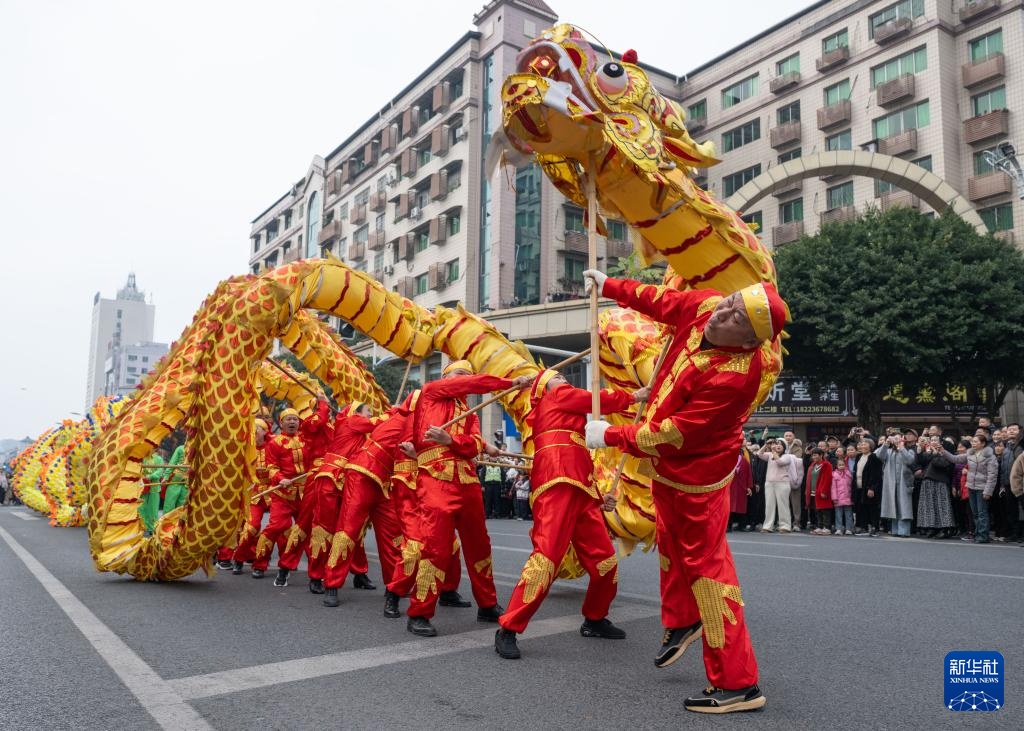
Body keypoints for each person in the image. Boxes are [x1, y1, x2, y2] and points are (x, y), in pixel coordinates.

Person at [582, 269, 789, 713]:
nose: (722, 313)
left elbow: (674, 433)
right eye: (730, 302)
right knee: (669, 544)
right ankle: (683, 620)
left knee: (708, 573)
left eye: (736, 318)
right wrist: (608, 284)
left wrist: (610, 435)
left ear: (750, 341)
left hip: (697, 477)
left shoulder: (737, 376)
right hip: (666, 470)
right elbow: (660, 301)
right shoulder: (707, 305)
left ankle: (738, 683)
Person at [494, 370, 643, 659]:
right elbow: (595, 400)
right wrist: (634, 396)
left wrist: (599, 498)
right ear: (543, 387)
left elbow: (579, 462)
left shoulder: (569, 419)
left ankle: (595, 618)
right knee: (546, 558)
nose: (563, 378)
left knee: (605, 561)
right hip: (555, 482)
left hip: (580, 489)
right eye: (556, 376)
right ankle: (508, 628)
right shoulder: (556, 397)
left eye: (563, 376)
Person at [403, 361, 527, 637]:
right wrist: (508, 383)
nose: (465, 380)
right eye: (459, 374)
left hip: (467, 482)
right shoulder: (432, 392)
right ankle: (419, 612)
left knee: (480, 546)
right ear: (446, 376)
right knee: (436, 548)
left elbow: (474, 445)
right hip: (436, 478)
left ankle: (488, 604)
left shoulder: (469, 412)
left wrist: (451, 441)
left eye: (468, 376)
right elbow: (468, 385)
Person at [322, 404, 410, 608]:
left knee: (392, 534)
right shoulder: (392, 418)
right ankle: (332, 583)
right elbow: (376, 423)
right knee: (348, 530)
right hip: (363, 474)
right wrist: (394, 411)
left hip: (385, 481)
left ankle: (394, 586)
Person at [252, 400, 330, 586]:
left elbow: (319, 429)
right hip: (283, 494)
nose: (292, 422)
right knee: (276, 527)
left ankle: (315, 570)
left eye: (295, 419)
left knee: (309, 531)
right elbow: (271, 468)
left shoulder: (306, 439)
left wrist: (321, 404)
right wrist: (280, 479)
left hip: (305, 492)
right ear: (281, 423)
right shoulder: (275, 443)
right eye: (288, 419)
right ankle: (260, 563)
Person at [305, 402, 377, 594]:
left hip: (351, 481)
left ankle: (359, 573)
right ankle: (316, 575)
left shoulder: (361, 433)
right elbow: (380, 422)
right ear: (355, 413)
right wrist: (399, 410)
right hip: (331, 479)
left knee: (353, 530)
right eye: (368, 412)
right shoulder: (352, 421)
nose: (370, 415)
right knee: (323, 529)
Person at [232, 419, 277, 573]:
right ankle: (239, 558)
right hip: (254, 492)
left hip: (274, 490)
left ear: (265, 432)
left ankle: (267, 564)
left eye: (257, 430)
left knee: (278, 530)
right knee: (251, 527)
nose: (253, 433)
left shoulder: (275, 445)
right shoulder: (245, 448)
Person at [939, 434, 997, 544]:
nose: (973, 443)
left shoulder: (990, 457)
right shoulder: (970, 454)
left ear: (983, 443)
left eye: (976, 441)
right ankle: (977, 534)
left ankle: (983, 535)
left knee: (982, 513)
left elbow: (992, 475)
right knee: (975, 513)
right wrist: (943, 451)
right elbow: (955, 459)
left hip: (982, 488)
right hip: (971, 487)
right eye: (972, 441)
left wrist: (988, 491)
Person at [875, 431, 916, 537]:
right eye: (894, 438)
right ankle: (895, 530)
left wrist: (901, 447)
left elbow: (909, 460)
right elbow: (879, 455)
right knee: (893, 506)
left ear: (903, 439)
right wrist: (886, 443)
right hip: (891, 483)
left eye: (898, 438)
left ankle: (904, 531)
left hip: (904, 483)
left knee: (904, 507)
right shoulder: (888, 451)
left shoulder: (909, 450)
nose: (896, 440)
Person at [916, 435, 956, 538]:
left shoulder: (944, 452)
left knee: (942, 505)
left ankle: (945, 528)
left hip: (940, 481)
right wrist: (920, 451)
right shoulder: (928, 452)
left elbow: (943, 464)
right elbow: (920, 461)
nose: (933, 442)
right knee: (929, 506)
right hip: (927, 481)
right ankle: (932, 527)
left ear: (941, 442)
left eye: (935, 440)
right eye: (931, 440)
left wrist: (935, 454)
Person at [755, 440, 796, 533]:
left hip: (782, 483)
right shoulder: (770, 455)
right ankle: (767, 526)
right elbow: (759, 454)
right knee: (769, 505)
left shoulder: (787, 456)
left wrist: (773, 451)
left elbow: (780, 462)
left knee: (783, 505)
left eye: (780, 445)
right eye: (776, 444)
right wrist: (766, 445)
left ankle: (785, 526)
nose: (778, 446)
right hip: (769, 483)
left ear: (784, 447)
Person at [139, 446, 169, 535]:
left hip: (154, 488)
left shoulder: (159, 459)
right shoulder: (143, 458)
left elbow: (159, 472)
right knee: (141, 508)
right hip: (143, 487)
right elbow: (139, 469)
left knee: (153, 509)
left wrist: (149, 477)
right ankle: (142, 528)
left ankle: (152, 529)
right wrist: (142, 477)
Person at [805, 449, 833, 535]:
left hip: (822, 491)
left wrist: (824, 491)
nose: (814, 457)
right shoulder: (813, 465)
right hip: (813, 491)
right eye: (813, 455)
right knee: (818, 510)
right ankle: (820, 527)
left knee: (825, 510)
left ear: (821, 455)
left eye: (815, 455)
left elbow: (827, 478)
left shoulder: (826, 464)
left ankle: (827, 527)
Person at [831, 456, 854, 535]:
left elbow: (851, 486)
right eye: (839, 465)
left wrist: (852, 497)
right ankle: (839, 529)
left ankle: (849, 529)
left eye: (843, 465)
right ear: (836, 466)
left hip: (848, 498)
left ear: (845, 465)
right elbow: (833, 488)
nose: (841, 466)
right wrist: (834, 498)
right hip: (838, 498)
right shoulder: (834, 474)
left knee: (848, 515)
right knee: (838, 515)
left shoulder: (848, 474)